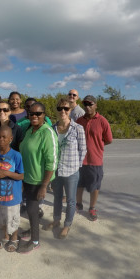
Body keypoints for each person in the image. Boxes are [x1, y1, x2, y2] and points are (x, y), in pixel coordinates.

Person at [43, 98, 86, 239]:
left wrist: (76, 166)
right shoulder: (52, 129)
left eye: (66, 109)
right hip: (56, 170)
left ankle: (67, 225)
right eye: (60, 108)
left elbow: (83, 150)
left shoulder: (77, 128)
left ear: (70, 110)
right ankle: (56, 220)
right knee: (57, 197)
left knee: (71, 200)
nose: (63, 111)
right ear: (56, 110)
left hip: (71, 171)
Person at [18, 102, 58, 253]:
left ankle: (35, 241)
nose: (34, 116)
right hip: (27, 178)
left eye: (38, 114)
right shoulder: (30, 131)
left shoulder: (47, 133)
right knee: (31, 210)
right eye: (31, 114)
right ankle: (33, 231)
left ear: (44, 116)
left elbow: (52, 161)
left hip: (38, 180)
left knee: (32, 209)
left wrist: (44, 185)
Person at [76, 95, 113, 221]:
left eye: (90, 104)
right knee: (78, 184)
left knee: (94, 186)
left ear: (95, 105)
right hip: (79, 159)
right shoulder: (79, 121)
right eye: (85, 104)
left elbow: (108, 140)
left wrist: (96, 146)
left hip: (94, 160)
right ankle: (78, 203)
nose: (87, 107)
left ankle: (92, 207)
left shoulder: (102, 121)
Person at [0, 126, 24, 252]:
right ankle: (5, 236)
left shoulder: (16, 156)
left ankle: (14, 238)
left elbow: (21, 175)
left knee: (12, 218)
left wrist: (6, 173)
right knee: (2, 217)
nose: (1, 139)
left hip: (12, 197)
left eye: (4, 137)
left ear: (10, 139)